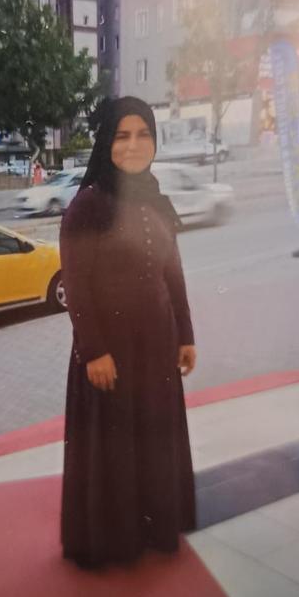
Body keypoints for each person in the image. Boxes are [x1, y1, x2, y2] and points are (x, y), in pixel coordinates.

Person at [60, 96, 197, 569]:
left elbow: (173, 273)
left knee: (153, 437)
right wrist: (94, 351)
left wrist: (186, 333)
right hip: (110, 352)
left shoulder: (157, 199)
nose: (134, 144)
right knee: (115, 446)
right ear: (106, 143)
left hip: (157, 345)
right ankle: (115, 540)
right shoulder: (87, 206)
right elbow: (76, 287)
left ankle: (155, 526)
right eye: (122, 135)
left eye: (144, 134)